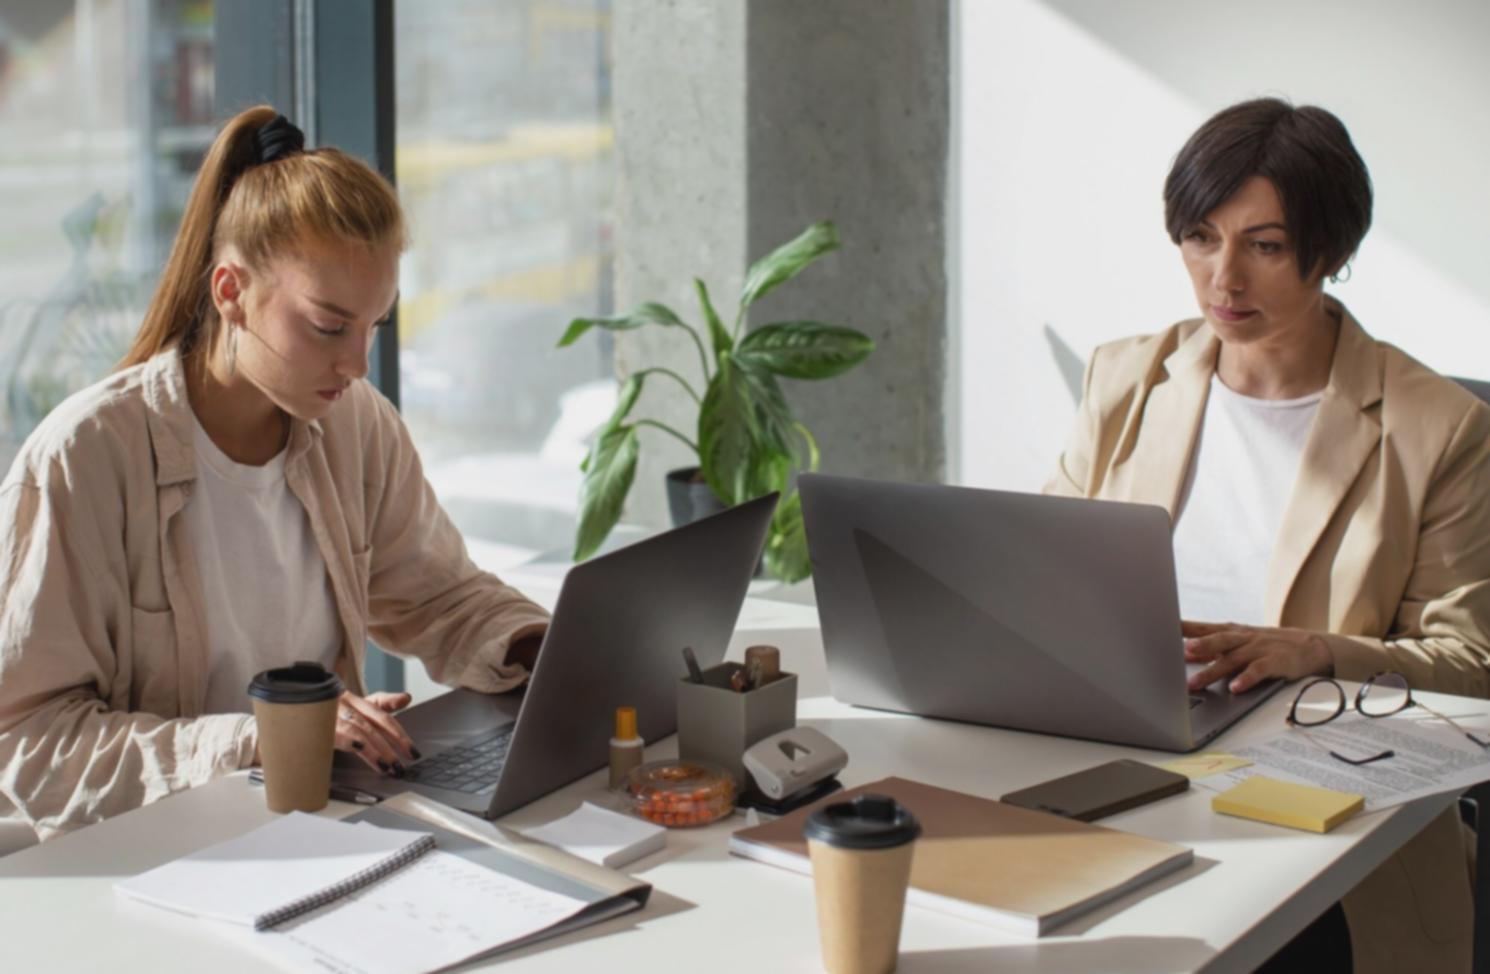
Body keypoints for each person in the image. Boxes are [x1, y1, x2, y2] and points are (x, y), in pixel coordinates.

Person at [0, 106, 551, 842]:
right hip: (162, 859)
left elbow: (441, 597)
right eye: (329, 327)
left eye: (373, 327)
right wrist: (264, 738)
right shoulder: (84, 458)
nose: (356, 364)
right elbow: (24, 745)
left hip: (327, 833)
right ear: (231, 293)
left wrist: (544, 647)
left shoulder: (355, 423)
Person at [1048, 98, 1490, 972]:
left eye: (1266, 246)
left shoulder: (1438, 425)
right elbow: (1044, 578)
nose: (1224, 281)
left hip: (1325, 828)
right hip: (1129, 770)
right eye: (1201, 237)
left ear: (1333, 251)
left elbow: (1472, 661)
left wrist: (1316, 651)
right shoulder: (1126, 377)